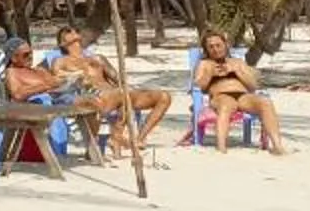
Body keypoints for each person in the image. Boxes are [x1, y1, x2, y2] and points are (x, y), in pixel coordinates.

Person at [52, 27, 171, 158]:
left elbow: (118, 79)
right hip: (95, 97)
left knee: (164, 97)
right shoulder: (61, 61)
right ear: (62, 43)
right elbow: (56, 79)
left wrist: (122, 82)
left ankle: (138, 139)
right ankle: (116, 139)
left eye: (75, 30)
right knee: (121, 94)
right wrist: (76, 75)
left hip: (119, 94)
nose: (73, 32)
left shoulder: (98, 58)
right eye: (68, 32)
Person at [192, 33, 288, 154]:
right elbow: (199, 86)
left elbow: (253, 86)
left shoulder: (238, 62)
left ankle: (277, 146)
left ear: (225, 45)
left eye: (218, 45)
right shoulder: (204, 64)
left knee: (265, 103)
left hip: (243, 97)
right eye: (211, 47)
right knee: (226, 105)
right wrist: (210, 74)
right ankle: (221, 148)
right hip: (220, 96)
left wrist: (236, 71)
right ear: (206, 49)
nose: (215, 49)